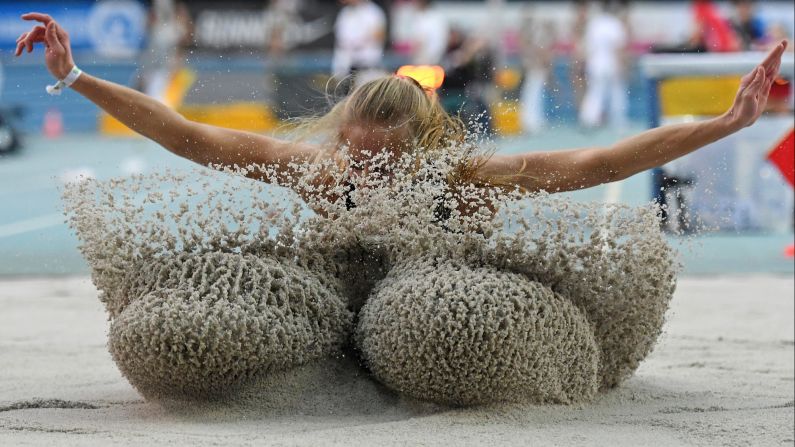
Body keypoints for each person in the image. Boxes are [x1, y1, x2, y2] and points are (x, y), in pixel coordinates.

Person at [14, 12, 788, 214]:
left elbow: (602, 162)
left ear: (419, 147)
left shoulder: (466, 178)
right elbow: (188, 135)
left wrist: (722, 125)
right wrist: (77, 75)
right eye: (357, 156)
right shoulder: (315, 172)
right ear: (339, 141)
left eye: (384, 158)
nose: (369, 169)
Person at [578, 0, 628, 129]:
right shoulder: (615, 24)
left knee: (595, 91)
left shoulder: (594, 24)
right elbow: (617, 48)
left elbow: (587, 47)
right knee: (617, 91)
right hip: (611, 62)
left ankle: (589, 119)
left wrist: (585, 63)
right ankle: (618, 120)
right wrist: (620, 64)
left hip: (595, 63)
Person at [332, 0, 387, 90]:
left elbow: (379, 36)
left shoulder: (373, 12)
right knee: (346, 98)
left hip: (367, 66)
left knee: (364, 97)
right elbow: (340, 41)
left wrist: (359, 42)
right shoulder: (345, 13)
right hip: (347, 65)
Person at [409, 0, 448, 66]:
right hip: (428, 58)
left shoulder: (430, 18)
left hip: (428, 60)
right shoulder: (424, 16)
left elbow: (421, 42)